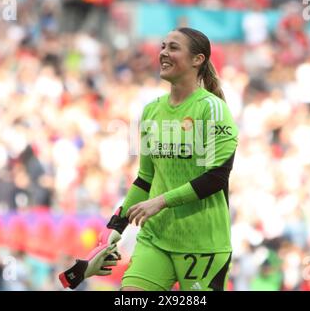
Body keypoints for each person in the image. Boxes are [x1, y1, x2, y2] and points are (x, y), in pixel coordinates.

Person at [101, 27, 238, 291]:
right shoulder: (151, 110)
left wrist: (161, 202)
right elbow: (145, 180)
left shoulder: (212, 108)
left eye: (173, 47)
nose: (163, 52)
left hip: (203, 245)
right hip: (156, 238)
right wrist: (114, 229)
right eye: (163, 46)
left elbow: (216, 177)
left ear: (197, 60)